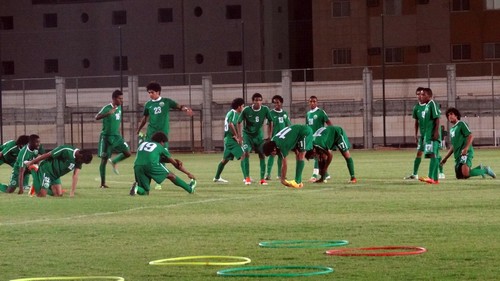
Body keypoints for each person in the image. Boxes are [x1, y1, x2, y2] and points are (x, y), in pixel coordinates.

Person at [136, 81, 193, 190]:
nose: (150, 94)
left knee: (163, 156)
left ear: (158, 92)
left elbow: (179, 106)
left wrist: (186, 109)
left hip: (162, 136)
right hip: (151, 134)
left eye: (152, 92)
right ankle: (148, 180)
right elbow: (145, 118)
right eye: (149, 93)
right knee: (151, 156)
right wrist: (138, 129)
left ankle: (158, 181)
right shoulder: (148, 104)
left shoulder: (166, 102)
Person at [130, 131, 196, 196]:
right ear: (161, 141)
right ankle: (189, 189)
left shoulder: (143, 143)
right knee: (171, 175)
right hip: (151, 165)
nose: (164, 144)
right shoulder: (160, 146)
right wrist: (188, 173)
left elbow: (152, 157)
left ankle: (136, 188)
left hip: (137, 166)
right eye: (164, 142)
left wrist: (169, 160)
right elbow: (176, 164)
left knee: (145, 192)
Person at [440, 107, 496, 179]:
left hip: (466, 152)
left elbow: (471, 135)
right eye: (448, 115)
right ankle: (480, 168)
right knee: (460, 177)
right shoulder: (452, 130)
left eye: (451, 114)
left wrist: (466, 149)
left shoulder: (461, 124)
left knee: (465, 174)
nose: (449, 116)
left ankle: (486, 170)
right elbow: (454, 146)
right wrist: (445, 158)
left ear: (456, 115)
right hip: (457, 155)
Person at [24, 145, 93, 197]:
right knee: (41, 195)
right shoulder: (66, 150)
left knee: (58, 194)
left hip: (56, 176)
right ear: (80, 155)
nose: (81, 163)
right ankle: (34, 169)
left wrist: (72, 193)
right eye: (82, 161)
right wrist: (32, 162)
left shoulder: (80, 159)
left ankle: (40, 184)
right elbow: (48, 154)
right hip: (47, 170)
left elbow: (75, 176)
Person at [95, 89, 132, 188]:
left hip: (117, 136)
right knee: (104, 159)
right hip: (106, 138)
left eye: (122, 99)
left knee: (128, 153)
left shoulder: (119, 108)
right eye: (120, 99)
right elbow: (96, 117)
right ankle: (103, 183)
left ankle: (115, 161)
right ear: (114, 99)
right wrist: (108, 113)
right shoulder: (107, 108)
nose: (122, 101)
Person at [237, 92, 272, 185]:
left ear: (262, 101)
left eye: (260, 100)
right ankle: (247, 178)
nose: (258, 102)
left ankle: (262, 179)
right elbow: (238, 122)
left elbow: (271, 121)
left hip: (259, 137)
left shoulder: (265, 109)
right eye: (256, 100)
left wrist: (270, 135)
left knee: (262, 155)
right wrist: (239, 136)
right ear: (252, 101)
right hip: (247, 136)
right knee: (245, 153)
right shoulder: (246, 110)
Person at [213, 98, 245, 183]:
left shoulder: (230, 113)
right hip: (231, 139)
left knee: (225, 160)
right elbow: (231, 124)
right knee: (243, 155)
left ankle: (216, 177)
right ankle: (246, 178)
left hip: (227, 139)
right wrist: (237, 136)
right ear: (239, 106)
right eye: (243, 106)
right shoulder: (234, 113)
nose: (243, 108)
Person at [305, 95, 332, 182]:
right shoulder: (308, 114)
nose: (312, 103)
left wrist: (329, 135)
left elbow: (329, 123)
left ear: (317, 102)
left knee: (317, 156)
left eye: (314, 101)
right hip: (311, 138)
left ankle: (314, 175)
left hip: (320, 138)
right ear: (309, 103)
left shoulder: (321, 112)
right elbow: (307, 126)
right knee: (318, 156)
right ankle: (325, 174)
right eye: (311, 101)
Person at [417, 87, 441, 184]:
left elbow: (437, 118)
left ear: (429, 96)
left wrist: (435, 132)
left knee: (433, 154)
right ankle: (435, 179)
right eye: (420, 94)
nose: (421, 96)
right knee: (434, 155)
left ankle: (430, 177)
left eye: (423, 95)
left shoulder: (432, 104)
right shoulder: (427, 106)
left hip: (432, 135)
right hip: (428, 134)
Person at [265, 95, 292, 180]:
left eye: (277, 102)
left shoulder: (284, 114)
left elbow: (288, 126)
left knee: (281, 156)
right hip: (274, 139)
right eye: (274, 102)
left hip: (283, 139)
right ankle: (268, 174)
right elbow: (268, 126)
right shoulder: (270, 113)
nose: (276, 104)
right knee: (271, 155)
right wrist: (269, 136)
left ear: (281, 103)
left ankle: (280, 175)